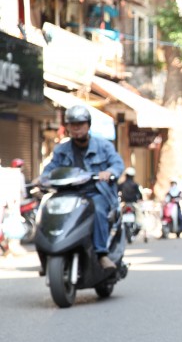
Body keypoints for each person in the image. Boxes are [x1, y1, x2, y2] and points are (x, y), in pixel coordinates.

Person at [41, 105, 125, 271]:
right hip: (68, 194)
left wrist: (109, 172)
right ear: (68, 127)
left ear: (88, 125)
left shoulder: (104, 146)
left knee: (99, 210)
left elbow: (117, 163)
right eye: (73, 124)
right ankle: (48, 252)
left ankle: (101, 254)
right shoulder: (61, 149)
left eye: (80, 124)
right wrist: (42, 178)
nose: (77, 128)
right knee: (47, 209)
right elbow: (50, 169)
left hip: (95, 193)